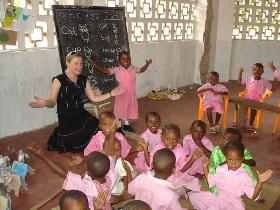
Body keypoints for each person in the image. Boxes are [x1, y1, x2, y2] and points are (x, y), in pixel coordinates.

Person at [29, 51, 125, 153]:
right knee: (79, 144)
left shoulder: (84, 79)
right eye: (76, 63)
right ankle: (60, 136)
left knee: (102, 129)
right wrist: (46, 103)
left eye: (81, 63)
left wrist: (111, 93)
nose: (79, 66)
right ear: (67, 63)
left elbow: (94, 98)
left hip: (81, 115)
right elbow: (52, 102)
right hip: (67, 118)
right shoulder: (58, 80)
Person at [28, 145, 129, 210]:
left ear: (88, 172)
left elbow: (63, 173)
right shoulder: (111, 174)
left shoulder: (87, 186)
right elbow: (110, 158)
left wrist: (43, 156)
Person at [189, 140, 273, 210]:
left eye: (237, 160)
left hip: (233, 204)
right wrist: (205, 167)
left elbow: (253, 197)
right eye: (230, 160)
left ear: (242, 159)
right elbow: (211, 182)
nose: (233, 163)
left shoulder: (243, 175)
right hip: (218, 198)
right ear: (226, 158)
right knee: (194, 197)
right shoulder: (221, 169)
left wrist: (260, 183)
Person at [91, 51, 152, 132]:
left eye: (128, 58)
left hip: (131, 93)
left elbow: (141, 70)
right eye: (123, 59)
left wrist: (147, 64)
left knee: (128, 108)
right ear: (119, 61)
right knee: (120, 109)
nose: (126, 60)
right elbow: (106, 71)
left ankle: (126, 125)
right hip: (121, 93)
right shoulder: (117, 69)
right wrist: (96, 66)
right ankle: (119, 127)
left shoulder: (133, 68)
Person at [146, 124, 201, 192]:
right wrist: (145, 149)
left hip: (173, 177)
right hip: (158, 175)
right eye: (167, 139)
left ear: (178, 139)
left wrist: (193, 158)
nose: (171, 142)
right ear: (162, 138)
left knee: (193, 183)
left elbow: (182, 170)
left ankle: (180, 191)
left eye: (174, 139)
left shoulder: (180, 151)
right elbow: (150, 164)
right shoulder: (158, 148)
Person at [209, 128, 257, 194]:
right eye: (222, 138)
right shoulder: (217, 150)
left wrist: (241, 160)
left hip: (236, 173)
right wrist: (229, 162)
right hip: (222, 174)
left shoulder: (241, 150)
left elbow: (253, 163)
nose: (222, 141)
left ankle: (251, 189)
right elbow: (216, 168)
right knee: (217, 190)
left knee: (245, 166)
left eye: (226, 140)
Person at [237, 63, 277, 131]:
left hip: (256, 100)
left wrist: (275, 78)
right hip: (247, 98)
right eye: (255, 69)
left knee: (254, 109)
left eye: (259, 70)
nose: (257, 71)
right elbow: (239, 82)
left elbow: (273, 88)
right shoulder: (249, 79)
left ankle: (251, 124)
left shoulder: (264, 81)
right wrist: (240, 72)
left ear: (262, 72)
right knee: (239, 104)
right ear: (252, 71)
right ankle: (241, 123)